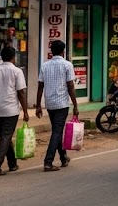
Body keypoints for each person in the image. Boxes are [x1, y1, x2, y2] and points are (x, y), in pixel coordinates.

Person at [0, 46, 29, 176]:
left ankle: (12, 163)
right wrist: (25, 111)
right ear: (13, 57)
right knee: (6, 136)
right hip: (11, 109)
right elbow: (21, 92)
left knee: (5, 135)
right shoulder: (17, 71)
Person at [35, 40, 77, 172]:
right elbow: (70, 86)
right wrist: (75, 104)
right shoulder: (67, 65)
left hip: (50, 103)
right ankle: (48, 161)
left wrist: (38, 105)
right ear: (63, 51)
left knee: (57, 130)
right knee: (57, 131)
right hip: (62, 103)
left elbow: (40, 86)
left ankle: (63, 157)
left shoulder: (45, 66)